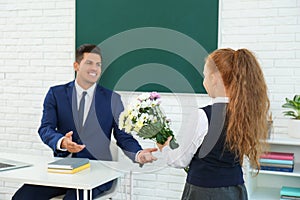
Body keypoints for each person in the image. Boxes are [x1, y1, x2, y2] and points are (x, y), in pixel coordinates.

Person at [12, 44, 157, 200]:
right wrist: (62, 142)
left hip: (98, 172)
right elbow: (45, 128)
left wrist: (138, 153)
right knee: (22, 197)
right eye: (89, 63)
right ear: (76, 65)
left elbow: (123, 136)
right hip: (63, 168)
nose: (94, 68)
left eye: (98, 64)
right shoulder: (56, 94)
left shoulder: (113, 99)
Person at [157, 48, 270, 200]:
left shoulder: (202, 116)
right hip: (236, 191)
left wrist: (164, 148)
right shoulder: (247, 114)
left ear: (214, 78)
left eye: (205, 76)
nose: (203, 81)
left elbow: (179, 160)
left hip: (204, 192)